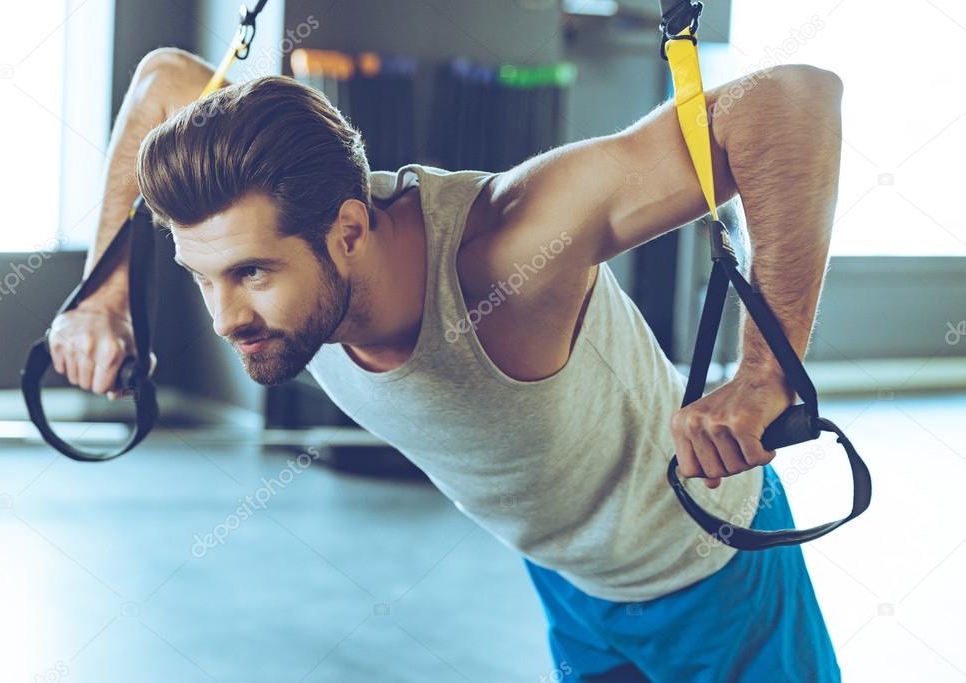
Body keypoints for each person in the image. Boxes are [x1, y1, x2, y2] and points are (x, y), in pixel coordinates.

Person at [48, 47, 844, 681]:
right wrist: (100, 294)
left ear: (348, 230)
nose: (225, 319)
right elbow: (162, 81)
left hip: (705, 563)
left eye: (253, 273)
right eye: (201, 276)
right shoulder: (273, 208)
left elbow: (794, 101)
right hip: (568, 575)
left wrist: (764, 374)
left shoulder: (510, 246)